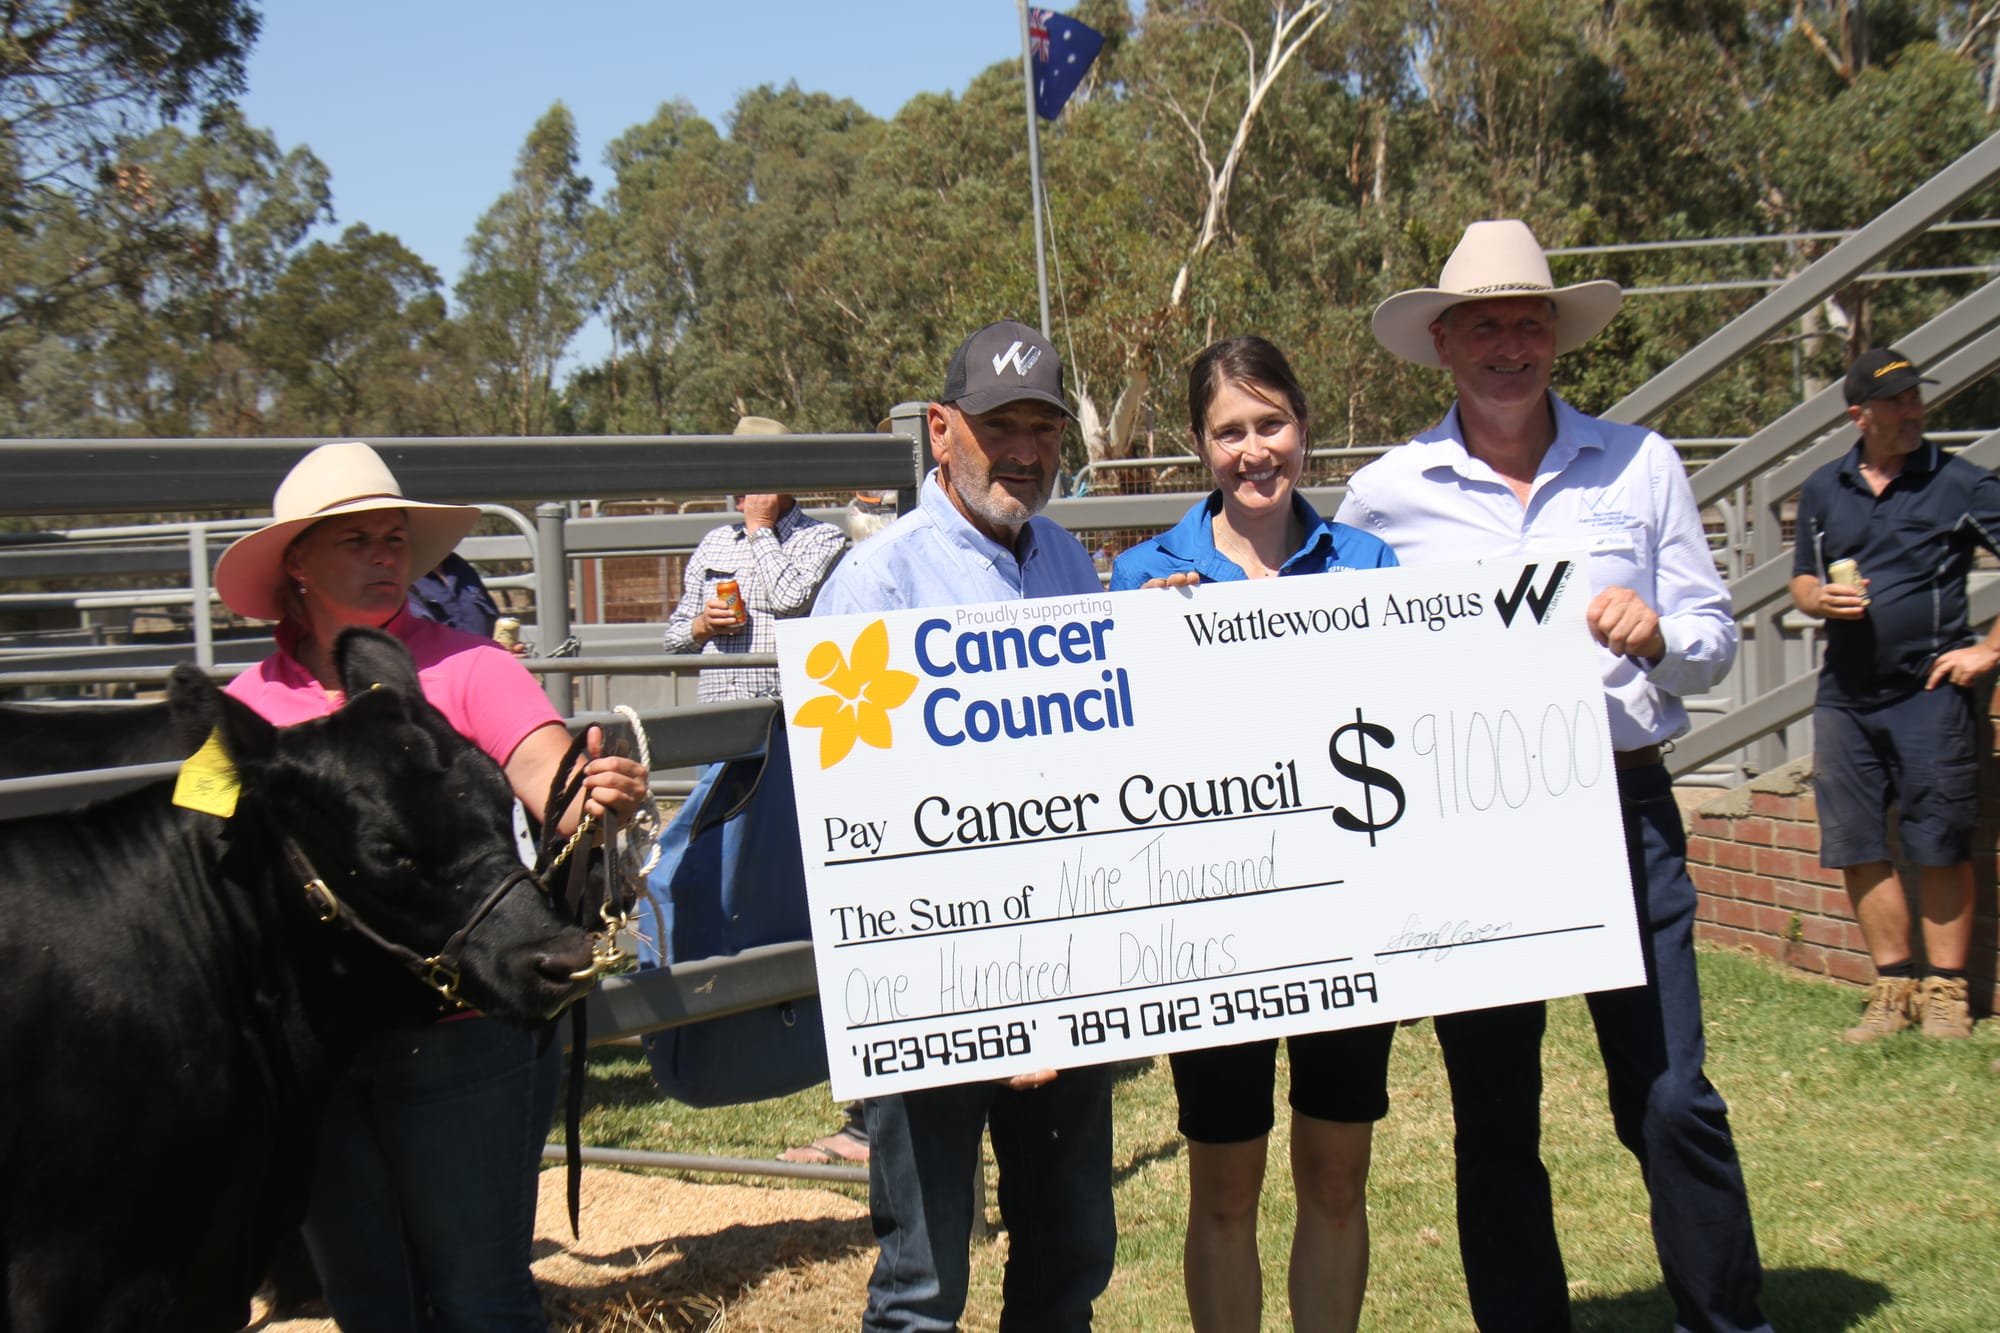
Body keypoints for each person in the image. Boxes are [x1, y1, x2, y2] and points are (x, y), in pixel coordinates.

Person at [1336, 219, 1771, 1333]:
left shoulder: (1640, 464)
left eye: (1530, 322)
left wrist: (1658, 631)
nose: (1510, 343)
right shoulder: (1383, 497)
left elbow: (1715, 635)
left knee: (1669, 1094)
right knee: (1493, 1110)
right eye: (1485, 323)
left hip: (1622, 806)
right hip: (1471, 828)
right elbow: (1333, 653)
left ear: (1555, 338)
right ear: (1442, 342)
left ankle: (1726, 1320)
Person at [212, 440, 650, 1333]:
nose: (385, 558)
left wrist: (595, 794)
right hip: (319, 1051)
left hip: (459, 1030)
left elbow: (550, 779)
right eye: (356, 541)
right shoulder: (247, 706)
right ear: (296, 561)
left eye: (394, 539)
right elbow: (208, 857)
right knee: (370, 1304)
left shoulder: (471, 668)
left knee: (482, 1297)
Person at [812, 320, 1116, 1331]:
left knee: (1069, 1251)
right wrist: (984, 991)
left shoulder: (1070, 564)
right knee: (921, 1282)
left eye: (1042, 427)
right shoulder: (875, 583)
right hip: (932, 977)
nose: (1024, 451)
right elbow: (857, 811)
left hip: (1063, 965)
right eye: (999, 427)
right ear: (941, 430)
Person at [1112, 336, 1397, 1332]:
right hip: (1214, 923)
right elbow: (1115, 762)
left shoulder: (1367, 564)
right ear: (1199, 446)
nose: (1252, 449)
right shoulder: (1140, 577)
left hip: (1345, 914)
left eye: (1269, 422)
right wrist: (1140, 648)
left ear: (1304, 429)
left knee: (1335, 1176)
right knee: (1223, 1187)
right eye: (1228, 431)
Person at [1789, 347, 2000, 1042]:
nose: (1915, 410)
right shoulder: (1824, 489)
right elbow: (1801, 579)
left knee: (1939, 839)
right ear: (1860, 414)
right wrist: (1821, 598)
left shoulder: (1961, 483)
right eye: (1899, 400)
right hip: (1844, 696)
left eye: (1917, 397)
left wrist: (1989, 650)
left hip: (1928, 692)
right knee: (1856, 843)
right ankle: (1893, 985)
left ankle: (1946, 992)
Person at [660, 415, 852, 702]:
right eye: (733, 469)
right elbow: (672, 642)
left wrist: (760, 527)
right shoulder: (715, 542)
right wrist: (703, 626)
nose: (737, 480)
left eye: (749, 469)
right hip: (717, 713)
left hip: (783, 714)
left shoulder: (822, 538)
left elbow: (789, 602)